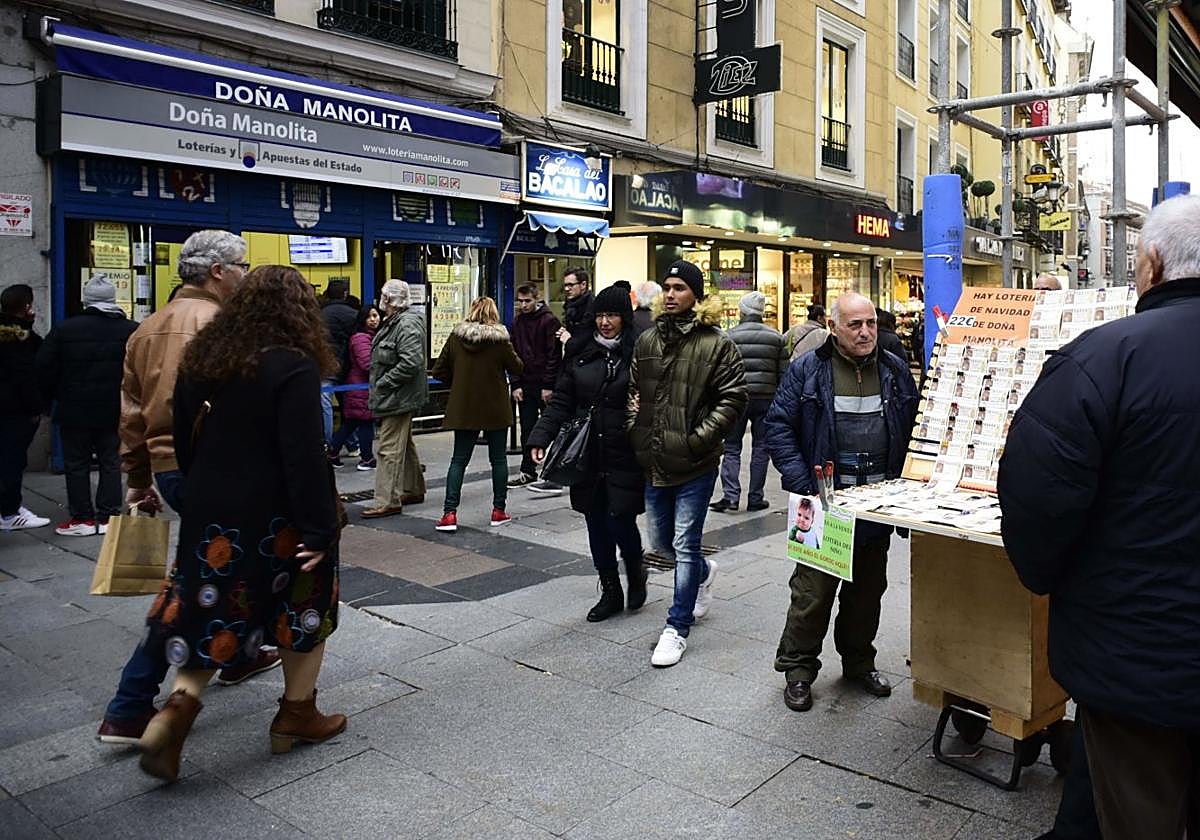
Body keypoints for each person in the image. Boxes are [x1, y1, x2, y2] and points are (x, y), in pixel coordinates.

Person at [998, 194, 1200, 840]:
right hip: (1141, 656)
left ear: (1149, 264)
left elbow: (1034, 504)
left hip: (1138, 662)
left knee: (1138, 810)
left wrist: (1053, 578)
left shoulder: (1101, 358)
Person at [136, 265, 346, 782]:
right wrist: (320, 527)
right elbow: (302, 453)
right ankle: (296, 714)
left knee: (212, 603)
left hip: (212, 508)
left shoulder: (204, 359)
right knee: (306, 604)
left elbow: (184, 437)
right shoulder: (292, 366)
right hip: (276, 513)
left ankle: (178, 707)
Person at [98, 230, 279, 745]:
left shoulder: (146, 328)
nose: (246, 274)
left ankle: (239, 655)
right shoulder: (223, 327)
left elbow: (130, 415)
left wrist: (137, 479)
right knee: (193, 583)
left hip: (168, 467)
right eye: (242, 265)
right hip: (219, 470)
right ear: (218, 272)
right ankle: (130, 704)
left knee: (231, 567)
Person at [766, 292, 918, 711]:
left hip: (875, 507)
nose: (866, 331)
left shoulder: (894, 369)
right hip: (825, 507)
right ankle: (798, 671)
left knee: (867, 593)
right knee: (811, 594)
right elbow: (778, 428)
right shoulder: (807, 370)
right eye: (855, 325)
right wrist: (805, 485)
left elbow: (913, 427)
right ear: (834, 327)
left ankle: (858, 662)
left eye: (870, 323)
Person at [627, 260, 747, 667]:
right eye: (667, 287)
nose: (672, 294)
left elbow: (733, 397)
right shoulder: (646, 341)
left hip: (695, 463)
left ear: (696, 294)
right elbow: (633, 392)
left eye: (680, 287)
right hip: (655, 458)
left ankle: (676, 627)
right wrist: (636, 429)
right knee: (660, 544)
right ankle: (703, 572)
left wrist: (699, 439)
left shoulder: (716, 344)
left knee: (682, 544)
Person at [527, 285, 647, 622]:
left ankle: (636, 569)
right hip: (587, 453)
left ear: (624, 317)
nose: (605, 322)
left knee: (620, 519)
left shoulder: (640, 353)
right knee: (595, 521)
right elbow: (563, 401)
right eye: (600, 315)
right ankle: (610, 589)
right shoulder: (580, 353)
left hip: (625, 452)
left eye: (612, 315)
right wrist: (540, 436)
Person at [35, 274, 137, 536]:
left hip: (74, 407)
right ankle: (109, 515)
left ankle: (82, 518)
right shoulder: (131, 330)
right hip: (114, 408)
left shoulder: (65, 329)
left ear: (87, 300)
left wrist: (52, 397)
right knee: (111, 461)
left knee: (77, 463)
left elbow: (43, 367)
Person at [433, 297, 523, 532]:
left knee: (458, 460)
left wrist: (460, 382)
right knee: (499, 460)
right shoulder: (500, 340)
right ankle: (498, 510)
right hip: (495, 406)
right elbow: (517, 367)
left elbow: (439, 369)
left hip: (464, 407)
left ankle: (449, 514)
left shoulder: (456, 337)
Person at [711, 291, 787, 514]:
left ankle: (731, 496)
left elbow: (720, 372)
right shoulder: (776, 338)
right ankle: (756, 497)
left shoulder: (729, 336)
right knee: (761, 448)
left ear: (742, 311)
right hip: (766, 398)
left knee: (732, 447)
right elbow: (784, 374)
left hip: (736, 397)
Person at [363, 280, 428, 518]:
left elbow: (411, 362)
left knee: (388, 448)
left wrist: (384, 382)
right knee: (404, 442)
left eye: (382, 295)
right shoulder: (397, 322)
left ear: (389, 300)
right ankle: (413, 488)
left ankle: (386, 499)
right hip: (399, 395)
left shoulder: (406, 324)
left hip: (398, 397)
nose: (379, 299)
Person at [0, 283, 50, 531]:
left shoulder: (11, 331)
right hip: (14, 409)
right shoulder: (17, 338)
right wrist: (35, 408)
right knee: (12, 460)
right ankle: (9, 512)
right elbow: (25, 374)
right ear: (27, 306)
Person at [507, 282, 564, 494]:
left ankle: (553, 472)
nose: (523, 305)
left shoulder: (549, 321)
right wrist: (516, 384)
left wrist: (548, 384)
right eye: (520, 301)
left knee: (552, 428)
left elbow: (553, 355)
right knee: (528, 429)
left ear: (536, 298)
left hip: (544, 383)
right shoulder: (518, 322)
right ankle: (528, 470)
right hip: (526, 382)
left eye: (527, 301)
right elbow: (512, 354)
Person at [328, 303, 379, 473]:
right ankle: (366, 458)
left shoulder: (370, 336)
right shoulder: (360, 338)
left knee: (352, 423)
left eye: (376, 315)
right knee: (365, 422)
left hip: (361, 387)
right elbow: (367, 364)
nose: (374, 319)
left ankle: (333, 452)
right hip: (361, 388)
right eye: (370, 316)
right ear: (362, 319)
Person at [320, 279, 358, 454]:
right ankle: (353, 444)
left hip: (324, 364)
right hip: (346, 366)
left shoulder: (319, 313)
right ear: (345, 294)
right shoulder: (352, 314)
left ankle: (328, 444)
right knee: (348, 406)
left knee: (325, 406)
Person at [557, 266, 594, 347]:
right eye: (565, 285)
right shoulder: (570, 303)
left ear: (583, 285)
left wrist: (569, 340)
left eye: (570, 285)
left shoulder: (592, 306)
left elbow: (586, 339)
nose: (566, 289)